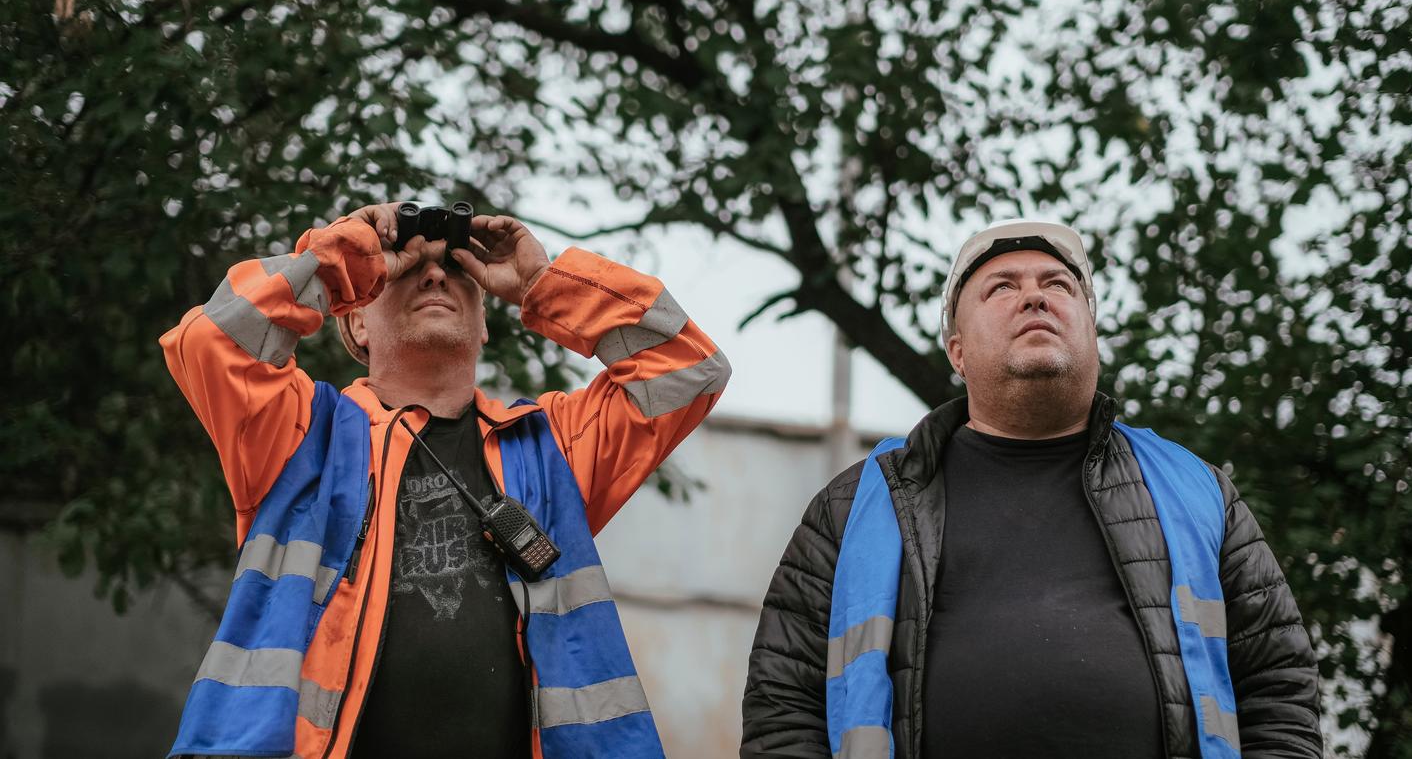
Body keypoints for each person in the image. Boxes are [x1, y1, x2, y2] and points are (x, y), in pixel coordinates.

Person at [161, 203, 729, 759]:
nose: (434, 275)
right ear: (356, 320)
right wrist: (344, 261)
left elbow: (688, 369)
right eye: (406, 267)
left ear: (483, 326)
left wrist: (543, 283)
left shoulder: (550, 446)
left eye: (456, 267)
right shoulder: (301, 435)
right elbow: (211, 340)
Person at [740, 219, 1321, 758]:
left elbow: (1278, 688)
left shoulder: (1195, 490)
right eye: (1001, 288)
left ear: (1093, 335)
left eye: (1058, 285)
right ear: (958, 352)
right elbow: (783, 706)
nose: (1035, 297)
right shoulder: (858, 505)